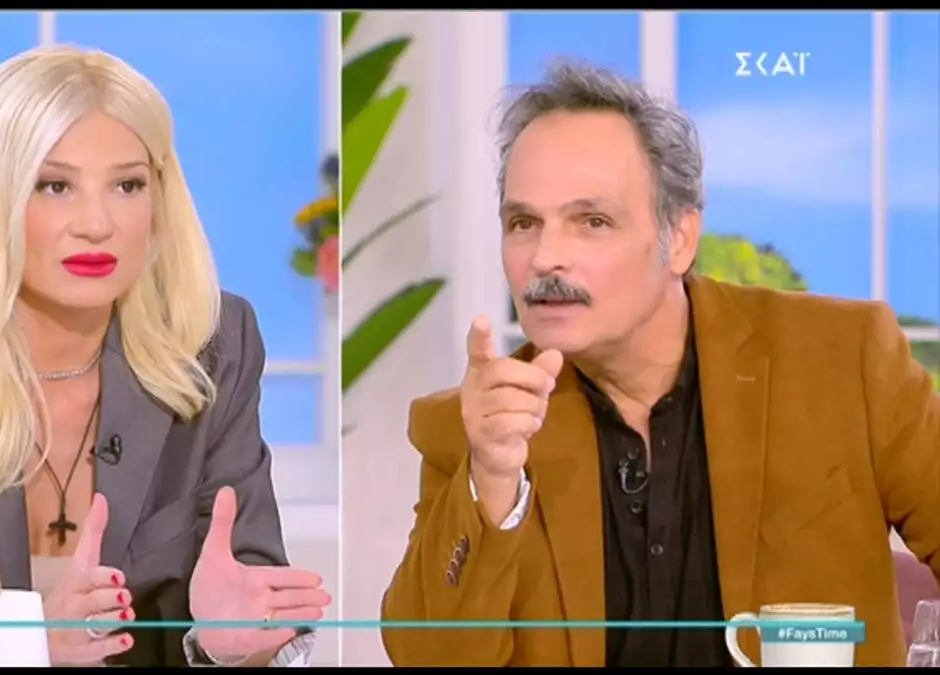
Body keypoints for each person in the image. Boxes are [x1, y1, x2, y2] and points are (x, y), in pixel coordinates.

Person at [0, 44, 330, 667]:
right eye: (56, 186)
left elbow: (252, 604)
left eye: (127, 185)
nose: (96, 223)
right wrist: (19, 639)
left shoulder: (212, 346)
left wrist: (228, 647)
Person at [380, 59, 939, 668]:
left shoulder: (841, 361)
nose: (545, 257)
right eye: (523, 223)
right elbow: (428, 658)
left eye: (592, 222)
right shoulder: (476, 429)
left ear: (680, 240)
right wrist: (491, 479)